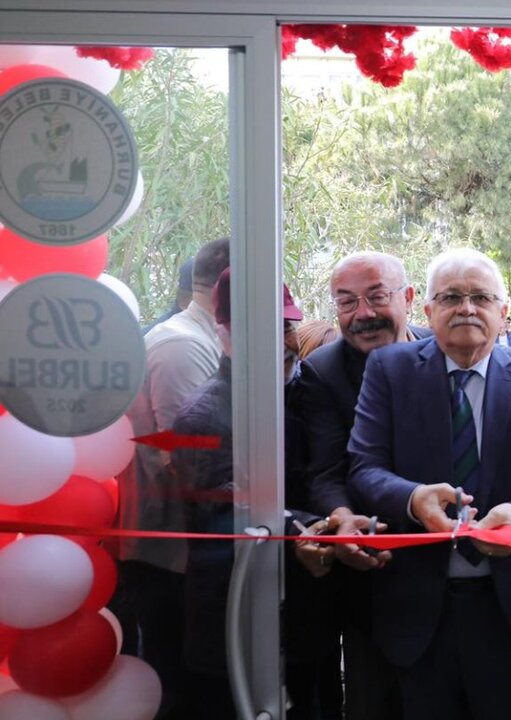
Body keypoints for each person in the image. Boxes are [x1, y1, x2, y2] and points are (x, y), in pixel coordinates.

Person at [347, 247, 511, 720]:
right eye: (451, 297)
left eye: (481, 297)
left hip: (510, 612)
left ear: (503, 312)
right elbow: (364, 466)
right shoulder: (388, 370)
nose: (466, 308)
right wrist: (412, 499)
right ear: (428, 311)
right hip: (416, 612)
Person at [173, 268, 325, 719]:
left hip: (303, 616)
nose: (280, 341)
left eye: (286, 326)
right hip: (234, 617)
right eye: (261, 329)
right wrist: (309, 526)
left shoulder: (307, 393)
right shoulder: (201, 416)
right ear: (225, 335)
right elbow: (223, 507)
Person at [288, 251, 428, 720]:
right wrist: (343, 518)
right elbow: (326, 470)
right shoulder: (323, 371)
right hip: (374, 569)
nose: (363, 314)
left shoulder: (445, 348)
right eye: (347, 302)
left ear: (409, 297)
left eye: (376, 297)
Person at [115, 236, 229, 719]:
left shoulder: (201, 336)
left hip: (189, 551)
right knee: (183, 690)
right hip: (170, 557)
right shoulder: (183, 345)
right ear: (229, 284)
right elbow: (188, 462)